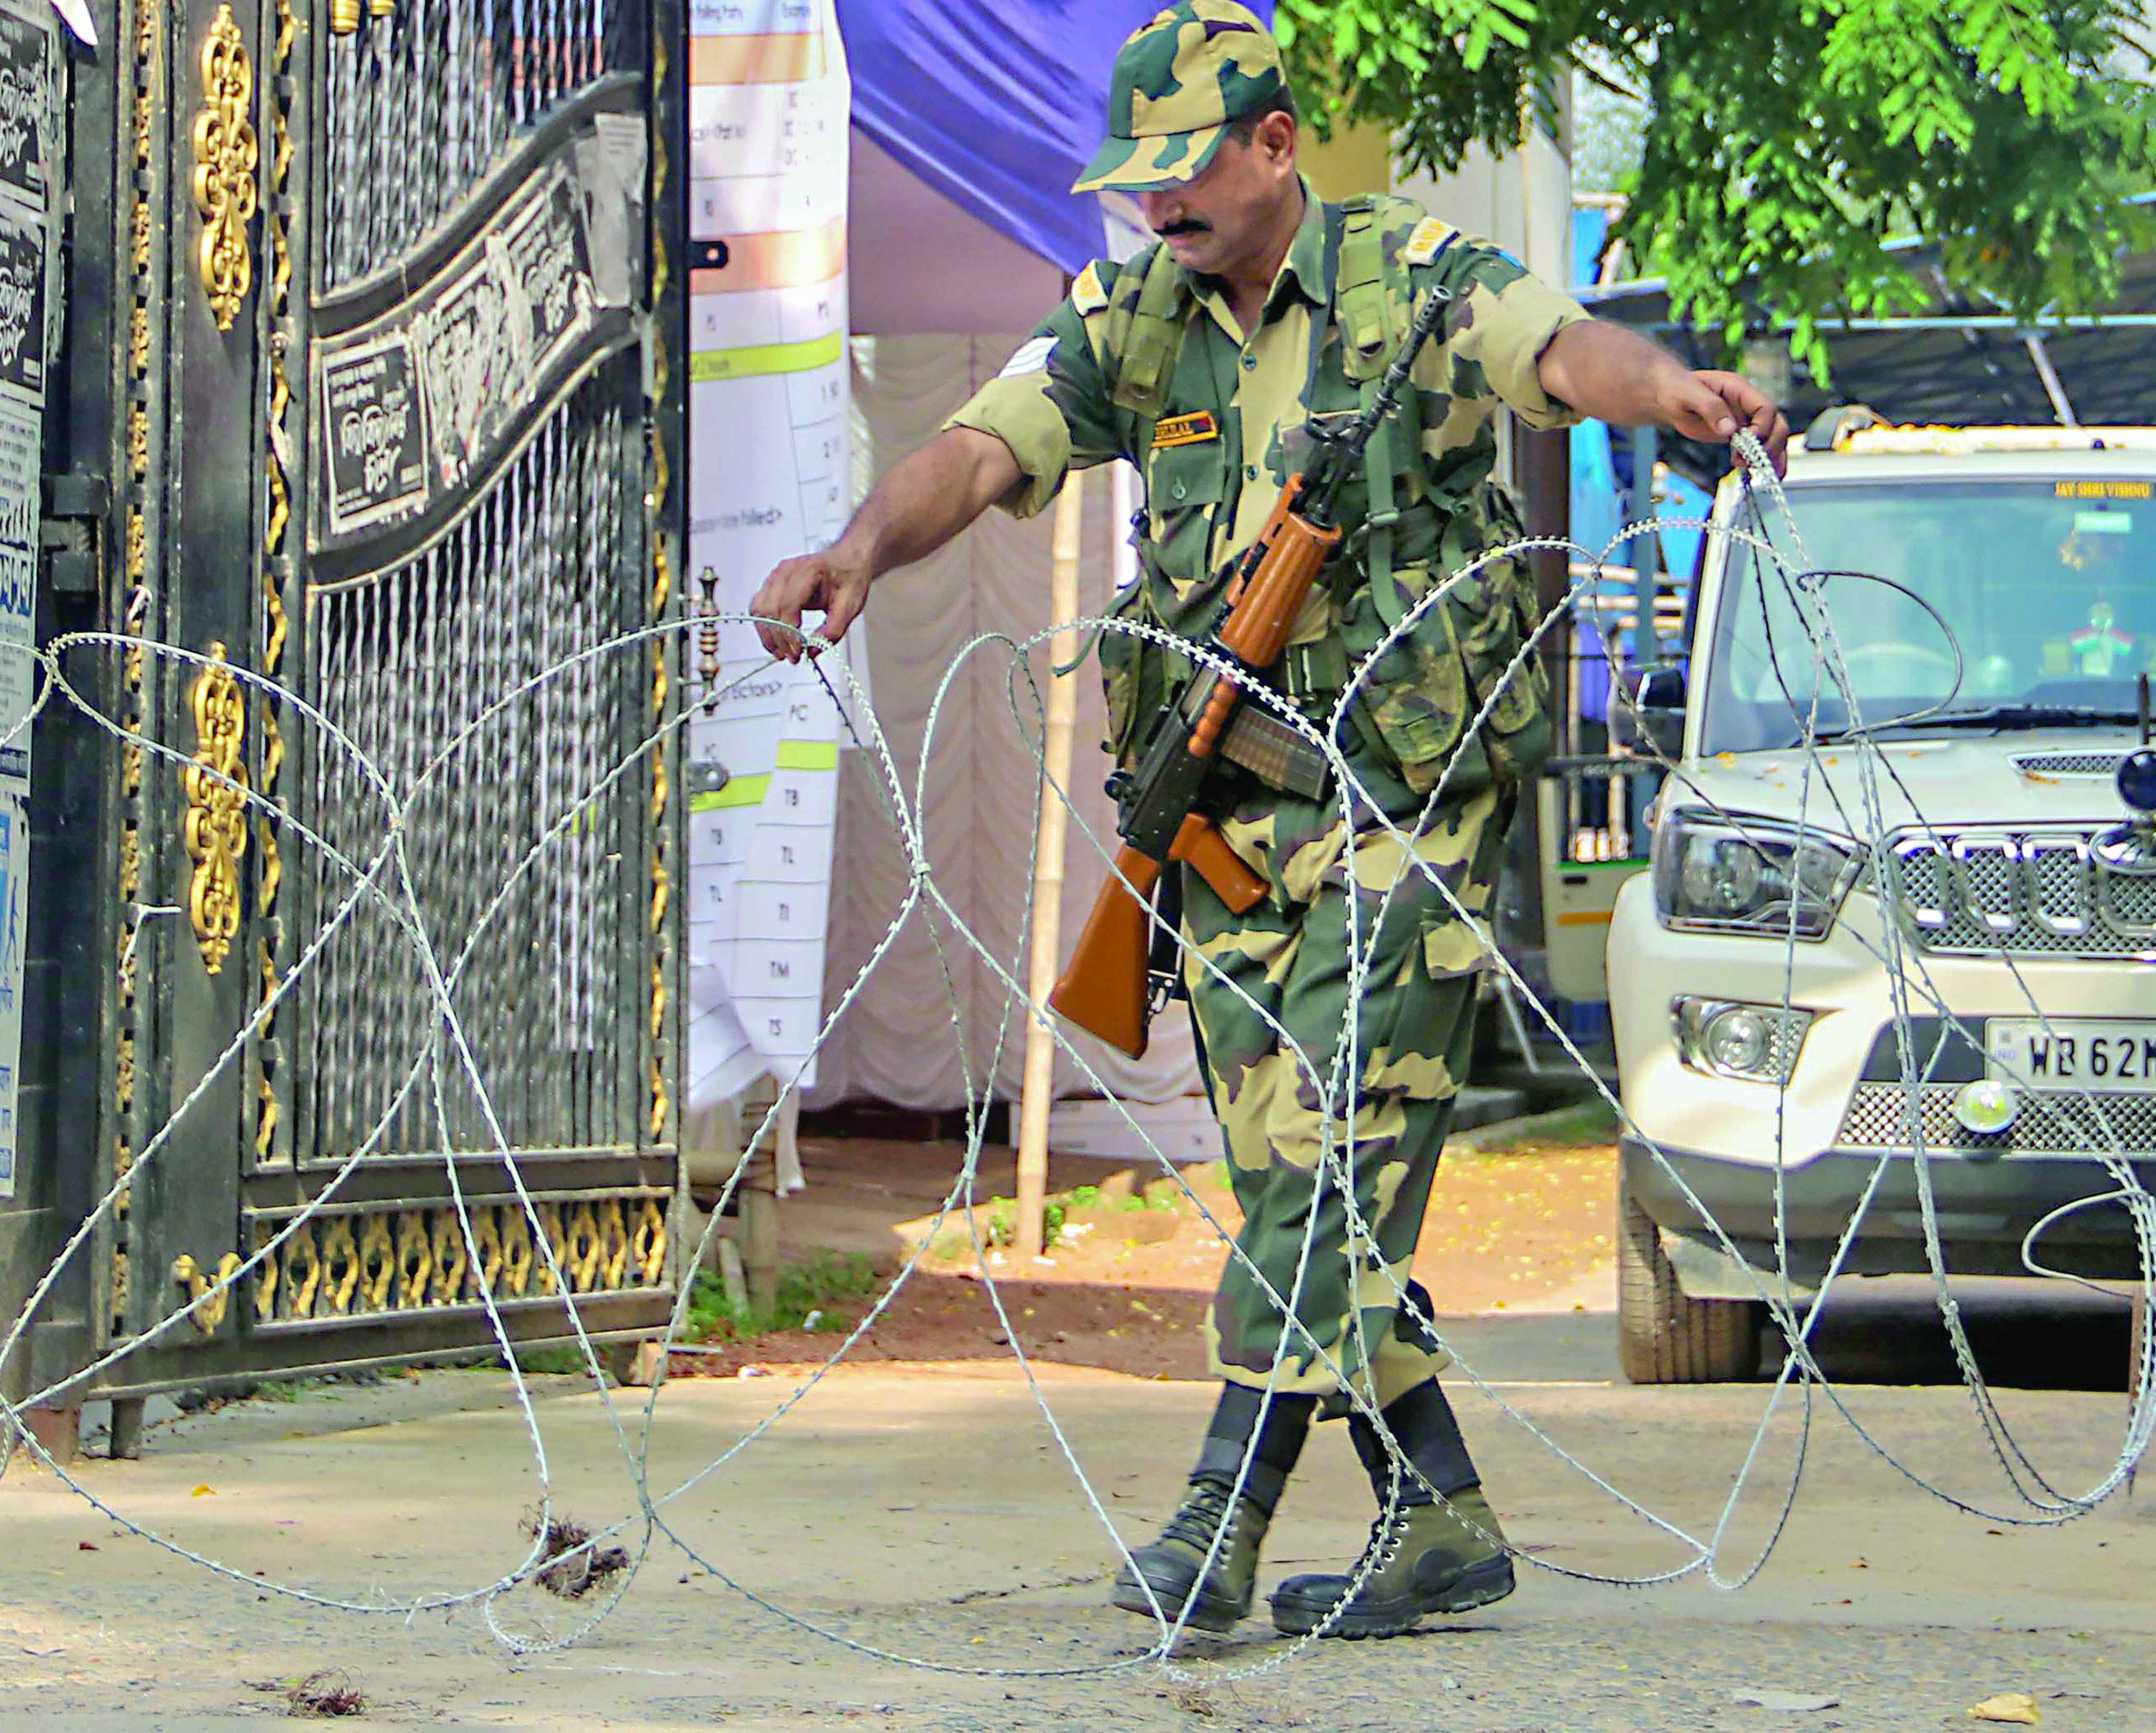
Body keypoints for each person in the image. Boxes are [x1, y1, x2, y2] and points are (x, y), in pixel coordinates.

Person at [752, 0, 1787, 1639]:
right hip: (1222, 831)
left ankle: (1219, 1512)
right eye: (1139, 182)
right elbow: (983, 445)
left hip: (1402, 808)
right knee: (1304, 1182)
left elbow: (1560, 349)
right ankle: (1438, 1517)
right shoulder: (1131, 317)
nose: (1158, 208)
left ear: (1277, 146)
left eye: (1186, 176)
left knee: (1327, 1159)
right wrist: (860, 555)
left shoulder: (1415, 276)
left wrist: (1667, 395)